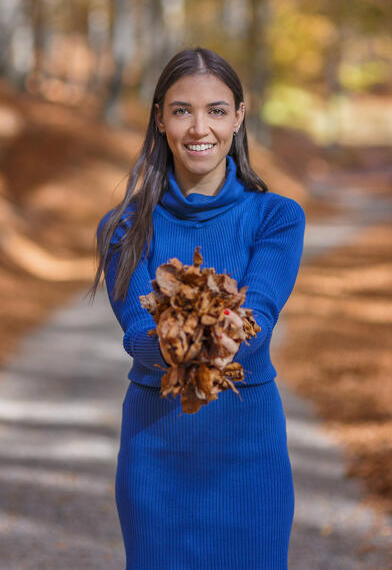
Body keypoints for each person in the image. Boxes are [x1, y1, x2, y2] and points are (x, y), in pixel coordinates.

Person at [89, 47, 306, 569]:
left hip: (248, 448)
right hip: (156, 446)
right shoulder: (122, 226)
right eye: (182, 110)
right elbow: (139, 334)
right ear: (160, 119)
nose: (198, 127)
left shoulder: (277, 217)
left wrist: (205, 336)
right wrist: (197, 338)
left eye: (215, 110)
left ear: (239, 116)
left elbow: (256, 323)